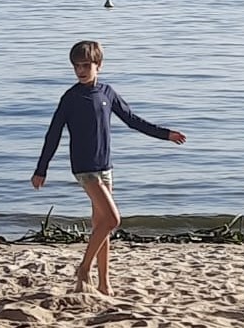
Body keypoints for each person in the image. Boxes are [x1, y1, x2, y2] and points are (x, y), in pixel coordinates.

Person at [31, 40, 186, 295]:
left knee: (101, 226)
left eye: (85, 65)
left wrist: (165, 134)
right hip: (84, 168)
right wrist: (41, 169)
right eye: (76, 66)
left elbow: (133, 120)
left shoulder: (107, 93)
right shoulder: (70, 98)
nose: (80, 71)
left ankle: (104, 284)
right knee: (113, 219)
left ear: (98, 65)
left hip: (105, 167)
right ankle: (84, 268)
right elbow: (53, 134)